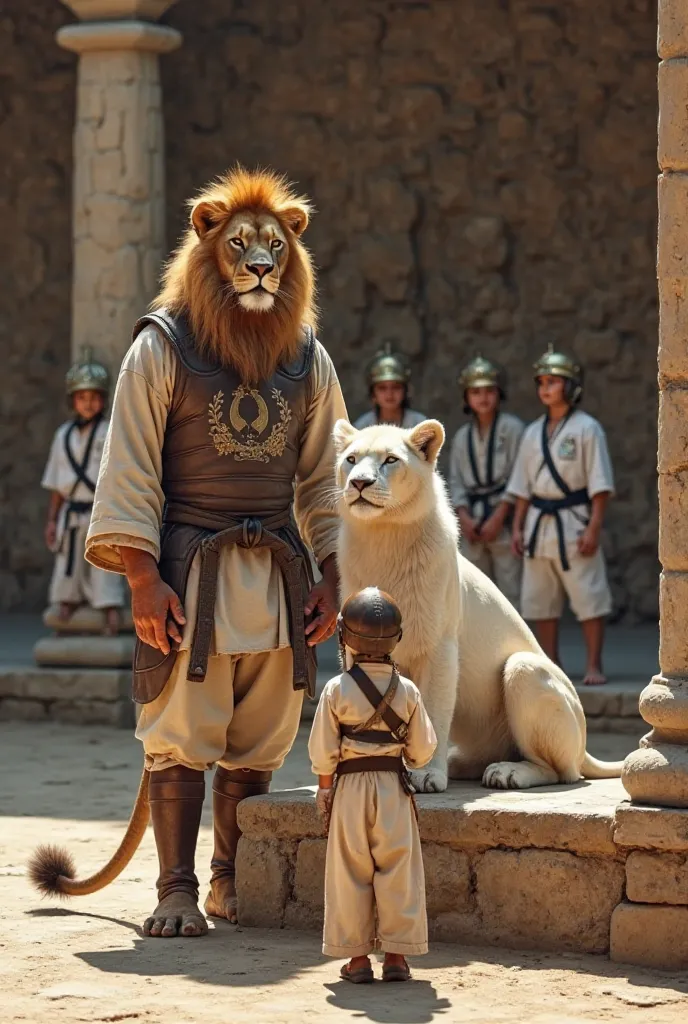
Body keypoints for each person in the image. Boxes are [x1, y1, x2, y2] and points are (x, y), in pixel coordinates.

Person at [80, 168, 346, 937]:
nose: (259, 260)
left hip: (276, 578)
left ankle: (228, 882)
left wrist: (334, 571)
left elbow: (325, 476)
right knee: (180, 733)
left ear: (293, 249)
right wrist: (139, 576)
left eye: (272, 245)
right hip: (188, 573)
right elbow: (128, 463)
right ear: (206, 242)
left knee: (259, 735)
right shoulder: (162, 345)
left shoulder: (308, 358)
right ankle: (173, 889)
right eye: (239, 246)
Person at [309, 587, 437, 984]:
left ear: (345, 637)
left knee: (349, 871)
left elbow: (323, 752)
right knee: (399, 869)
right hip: (393, 790)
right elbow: (422, 753)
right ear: (396, 640)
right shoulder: (409, 690)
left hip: (348, 790)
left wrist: (325, 791)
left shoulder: (336, 689)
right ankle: (397, 957)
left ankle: (358, 960)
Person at [507, 346, 614, 685]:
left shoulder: (587, 429)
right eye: (541, 382)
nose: (545, 388)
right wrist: (518, 527)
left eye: (553, 381)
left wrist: (594, 527)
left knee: (589, 596)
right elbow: (522, 487)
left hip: (574, 520)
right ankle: (552, 665)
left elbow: (600, 484)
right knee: (540, 601)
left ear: (570, 386)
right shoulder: (532, 431)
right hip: (540, 523)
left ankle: (594, 665)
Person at [41, 349, 124, 635]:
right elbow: (56, 483)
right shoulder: (63, 435)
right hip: (71, 511)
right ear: (73, 401)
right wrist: (52, 519)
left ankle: (110, 608)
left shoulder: (110, 430)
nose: (88, 404)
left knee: (104, 564)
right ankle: (67, 601)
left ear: (102, 400)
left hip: (100, 509)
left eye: (93, 397)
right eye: (81, 398)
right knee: (69, 561)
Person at [449, 355, 524, 608]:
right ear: (466, 397)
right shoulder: (462, 437)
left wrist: (500, 515)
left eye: (489, 391)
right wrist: (464, 516)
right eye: (476, 392)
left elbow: (520, 475)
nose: (483, 398)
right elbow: (456, 480)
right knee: (472, 590)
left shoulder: (513, 429)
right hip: (472, 521)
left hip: (503, 518)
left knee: (510, 589)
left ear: (499, 393)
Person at [354, 344, 426, 429]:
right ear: (373, 393)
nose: (389, 394)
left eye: (396, 387)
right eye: (382, 388)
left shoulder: (419, 424)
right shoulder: (362, 426)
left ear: (405, 390)